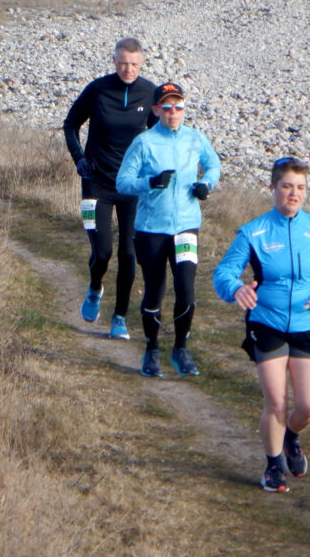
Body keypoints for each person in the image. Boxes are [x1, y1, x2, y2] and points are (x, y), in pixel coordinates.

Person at [212, 157, 310, 493]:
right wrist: (236, 289)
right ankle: (273, 468)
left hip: (308, 322)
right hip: (266, 322)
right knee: (276, 402)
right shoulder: (253, 231)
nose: (293, 194)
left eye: (300, 187)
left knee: (309, 406)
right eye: (287, 186)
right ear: (273, 188)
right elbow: (223, 273)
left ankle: (291, 437)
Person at [116, 81, 221, 378]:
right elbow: (123, 182)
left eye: (178, 106)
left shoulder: (195, 138)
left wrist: (205, 185)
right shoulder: (144, 142)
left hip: (186, 226)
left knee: (186, 290)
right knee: (155, 290)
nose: (173, 112)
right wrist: (149, 182)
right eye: (166, 106)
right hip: (151, 229)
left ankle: (180, 348)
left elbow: (214, 166)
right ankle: (151, 349)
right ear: (155, 110)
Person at [63, 38, 156, 340]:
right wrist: (79, 159)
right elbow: (70, 124)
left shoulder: (149, 92)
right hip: (97, 183)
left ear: (141, 64)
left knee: (129, 254)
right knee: (102, 252)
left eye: (134, 64)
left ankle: (119, 318)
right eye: (123, 63)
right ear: (114, 61)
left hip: (132, 187)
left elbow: (160, 137)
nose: (128, 69)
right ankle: (94, 287)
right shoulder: (98, 89)